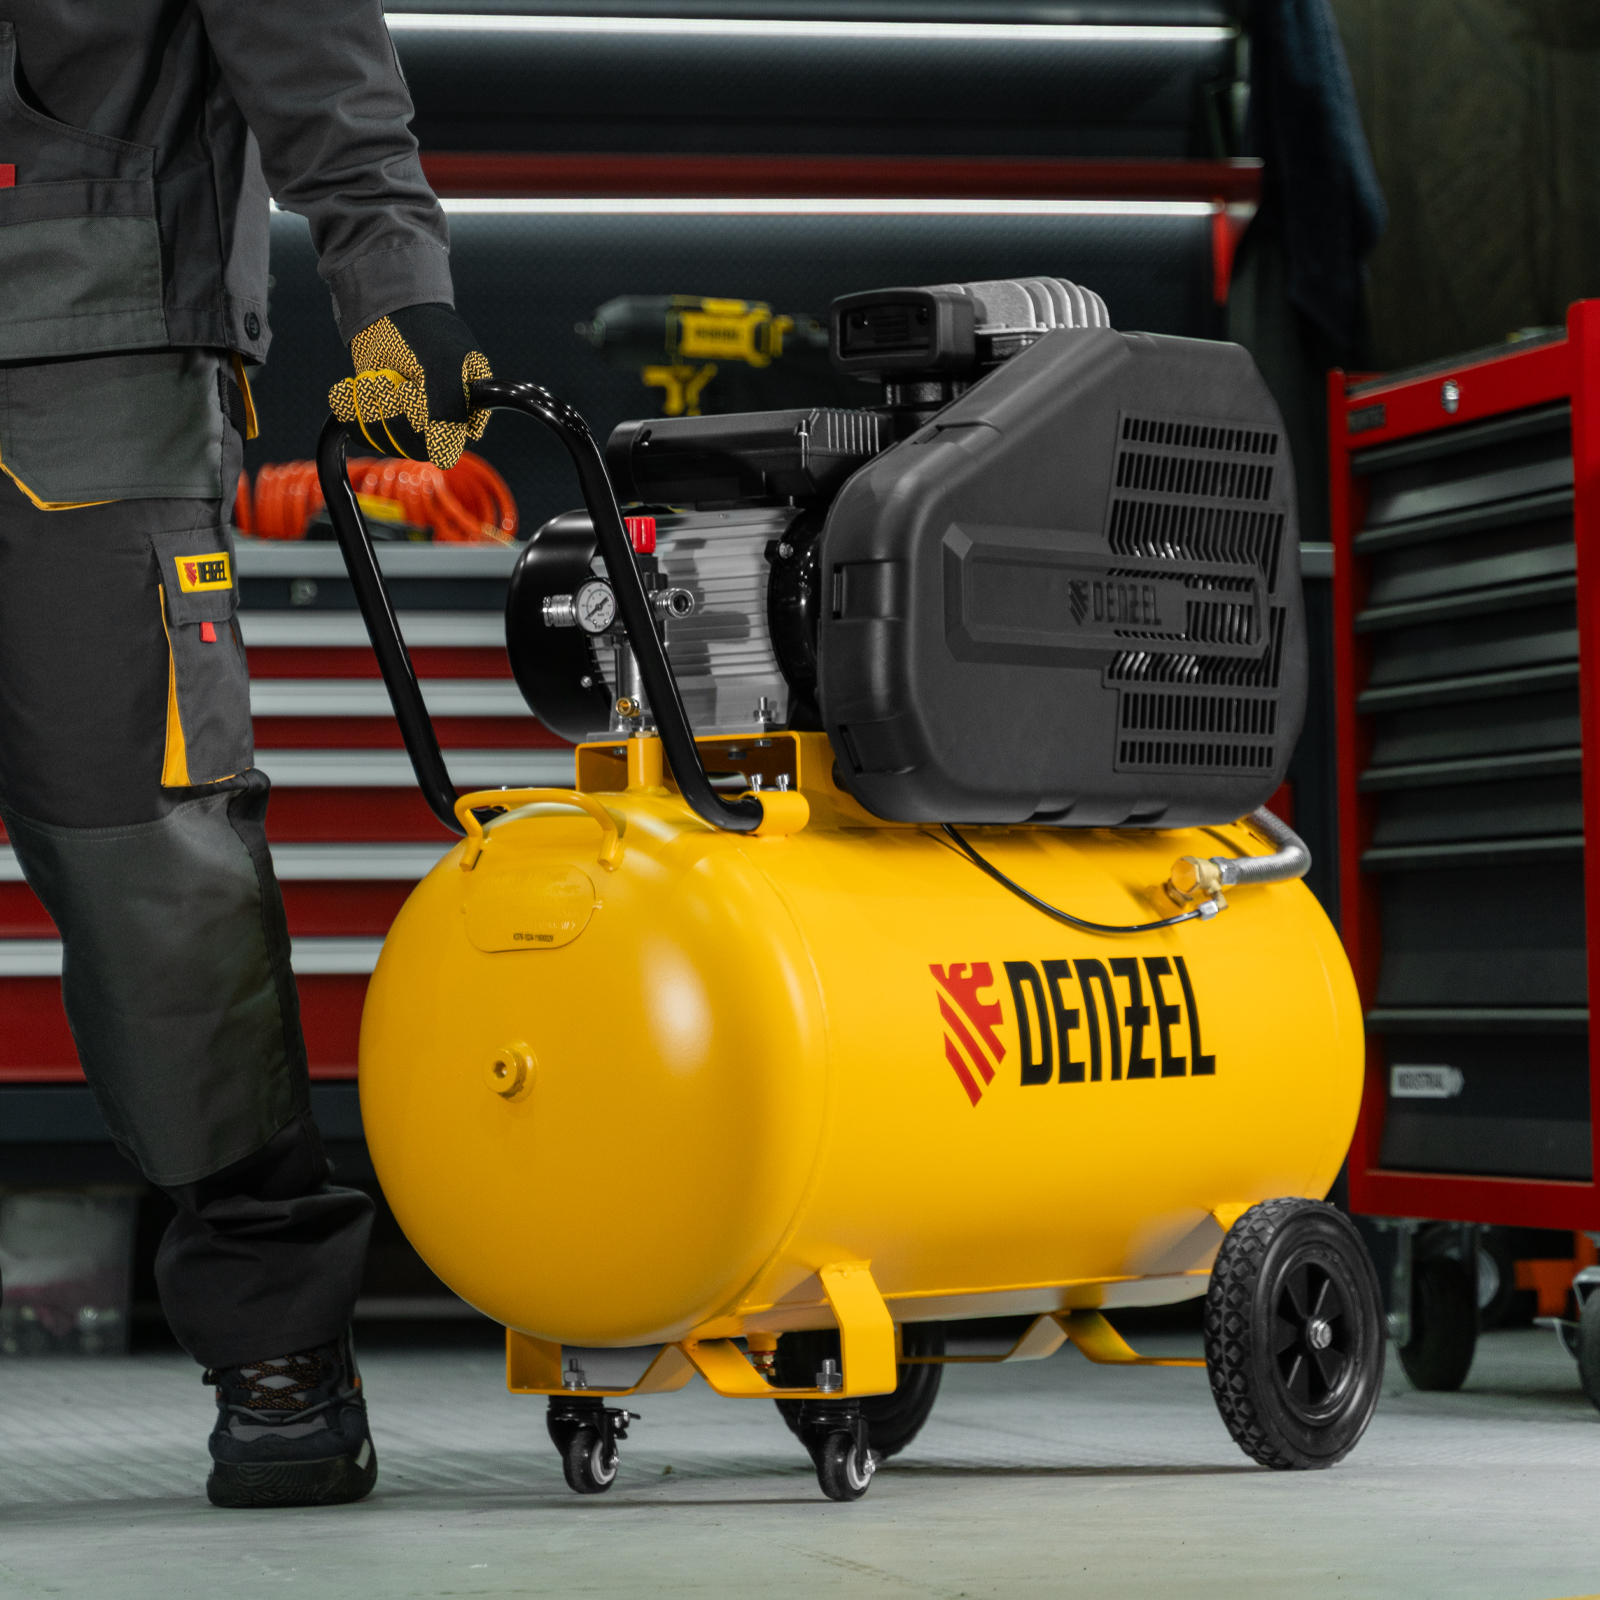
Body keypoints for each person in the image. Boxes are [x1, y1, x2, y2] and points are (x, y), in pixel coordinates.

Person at [0, 1, 489, 1508]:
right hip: (85, 361)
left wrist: (395, 294)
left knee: (152, 871)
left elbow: (321, 66)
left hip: (86, 372)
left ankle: (278, 1343)